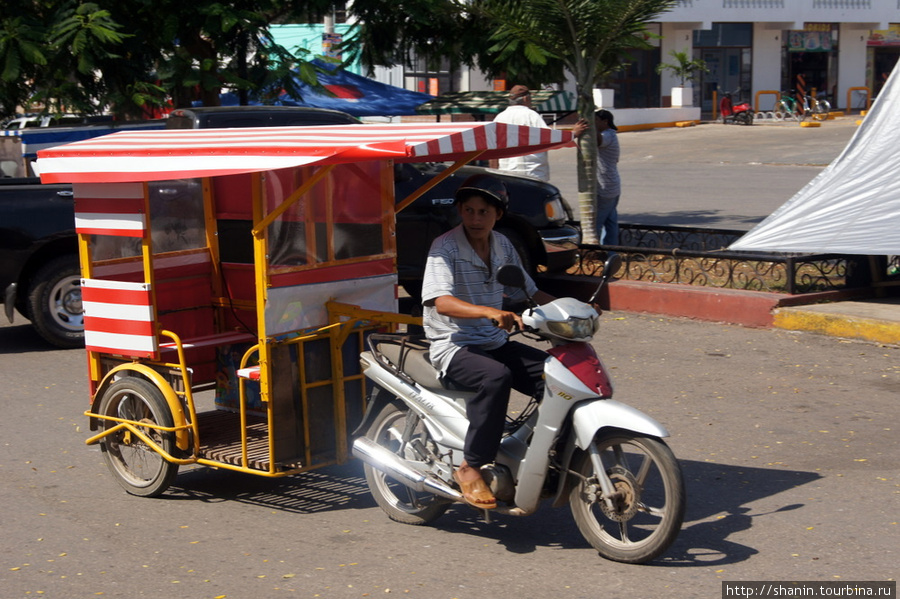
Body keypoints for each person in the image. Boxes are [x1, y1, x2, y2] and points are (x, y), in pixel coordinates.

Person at [421, 174, 555, 509]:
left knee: (555, 374)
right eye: (469, 211)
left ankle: (539, 451)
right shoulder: (445, 247)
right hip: (454, 345)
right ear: (461, 212)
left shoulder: (502, 246)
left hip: (493, 340)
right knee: (496, 376)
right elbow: (440, 301)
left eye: (484, 211)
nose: (476, 218)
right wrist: (486, 311)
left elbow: (528, 291)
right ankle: (470, 466)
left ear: (498, 214)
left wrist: (571, 310)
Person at [575, 109, 621, 245]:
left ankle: (595, 252)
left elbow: (598, 140)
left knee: (596, 223)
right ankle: (611, 252)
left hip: (606, 187)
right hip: (612, 186)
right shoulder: (610, 134)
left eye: (595, 121)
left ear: (605, 122)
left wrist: (587, 127)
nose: (592, 123)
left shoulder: (608, 135)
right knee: (610, 221)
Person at [492, 85, 551, 181]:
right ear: (525, 98)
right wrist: (574, 134)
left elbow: (492, 147)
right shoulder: (531, 115)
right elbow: (550, 137)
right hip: (532, 172)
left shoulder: (500, 117)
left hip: (506, 173)